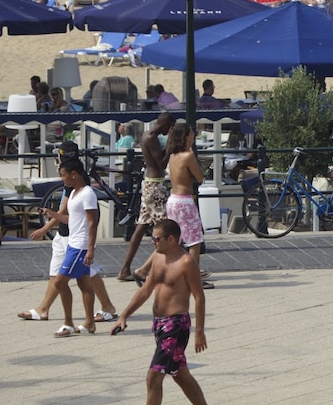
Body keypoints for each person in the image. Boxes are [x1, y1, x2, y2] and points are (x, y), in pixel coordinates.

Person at [16, 143, 118, 325]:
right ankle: (45, 309)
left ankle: (92, 314)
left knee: (82, 275)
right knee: (60, 274)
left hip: (74, 237)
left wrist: (45, 228)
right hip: (67, 235)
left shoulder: (75, 181)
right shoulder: (72, 176)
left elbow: (72, 213)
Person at [113, 219, 208, 405]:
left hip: (176, 324)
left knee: (153, 376)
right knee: (179, 374)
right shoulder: (157, 257)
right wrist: (124, 316)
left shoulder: (186, 262)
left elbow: (199, 297)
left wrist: (199, 332)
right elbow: (146, 290)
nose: (152, 242)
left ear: (171, 239)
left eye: (156, 239)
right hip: (159, 323)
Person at [43, 157, 98, 337]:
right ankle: (89, 323)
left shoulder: (87, 194)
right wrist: (52, 214)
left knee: (59, 282)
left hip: (80, 246)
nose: (63, 179)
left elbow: (92, 223)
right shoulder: (74, 193)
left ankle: (68, 323)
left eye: (64, 175)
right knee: (84, 283)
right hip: (74, 243)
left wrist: (90, 249)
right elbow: (72, 220)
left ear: (74, 174)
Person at [118, 112, 175, 282]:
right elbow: (162, 163)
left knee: (142, 226)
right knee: (168, 228)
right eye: (170, 127)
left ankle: (125, 269)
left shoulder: (147, 135)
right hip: (155, 186)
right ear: (165, 124)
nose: (169, 131)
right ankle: (155, 270)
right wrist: (171, 142)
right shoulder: (151, 138)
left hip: (149, 184)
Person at [165, 123, 213, 289]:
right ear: (186, 137)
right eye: (192, 134)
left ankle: (175, 274)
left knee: (176, 241)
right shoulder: (188, 156)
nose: (194, 136)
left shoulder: (172, 155)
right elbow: (199, 177)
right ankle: (194, 279)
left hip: (172, 200)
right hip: (184, 201)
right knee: (194, 241)